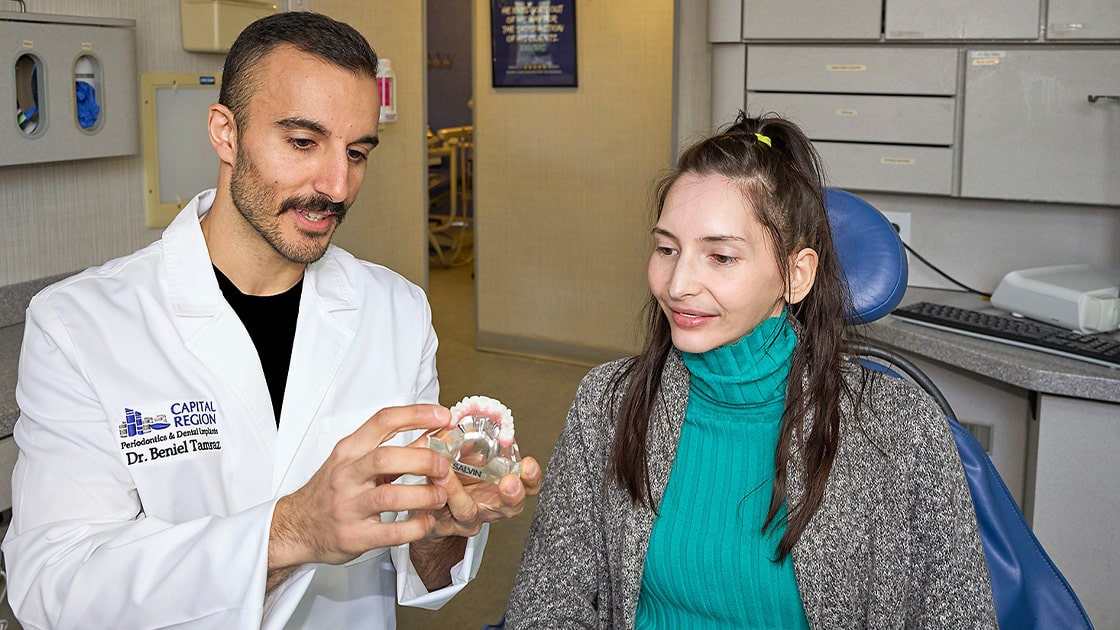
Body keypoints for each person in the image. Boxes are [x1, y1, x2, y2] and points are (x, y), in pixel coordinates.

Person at [2, 11, 540, 629]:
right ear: (225, 134)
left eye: (357, 152)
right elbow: (53, 587)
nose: (336, 185)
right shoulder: (78, 326)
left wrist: (439, 528)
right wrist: (292, 531)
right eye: (303, 143)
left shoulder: (397, 311)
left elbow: (415, 568)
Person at [505, 113, 995, 628]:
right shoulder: (608, 402)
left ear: (796, 274)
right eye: (667, 249)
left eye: (720, 257)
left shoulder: (898, 427)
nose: (678, 285)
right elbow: (546, 605)